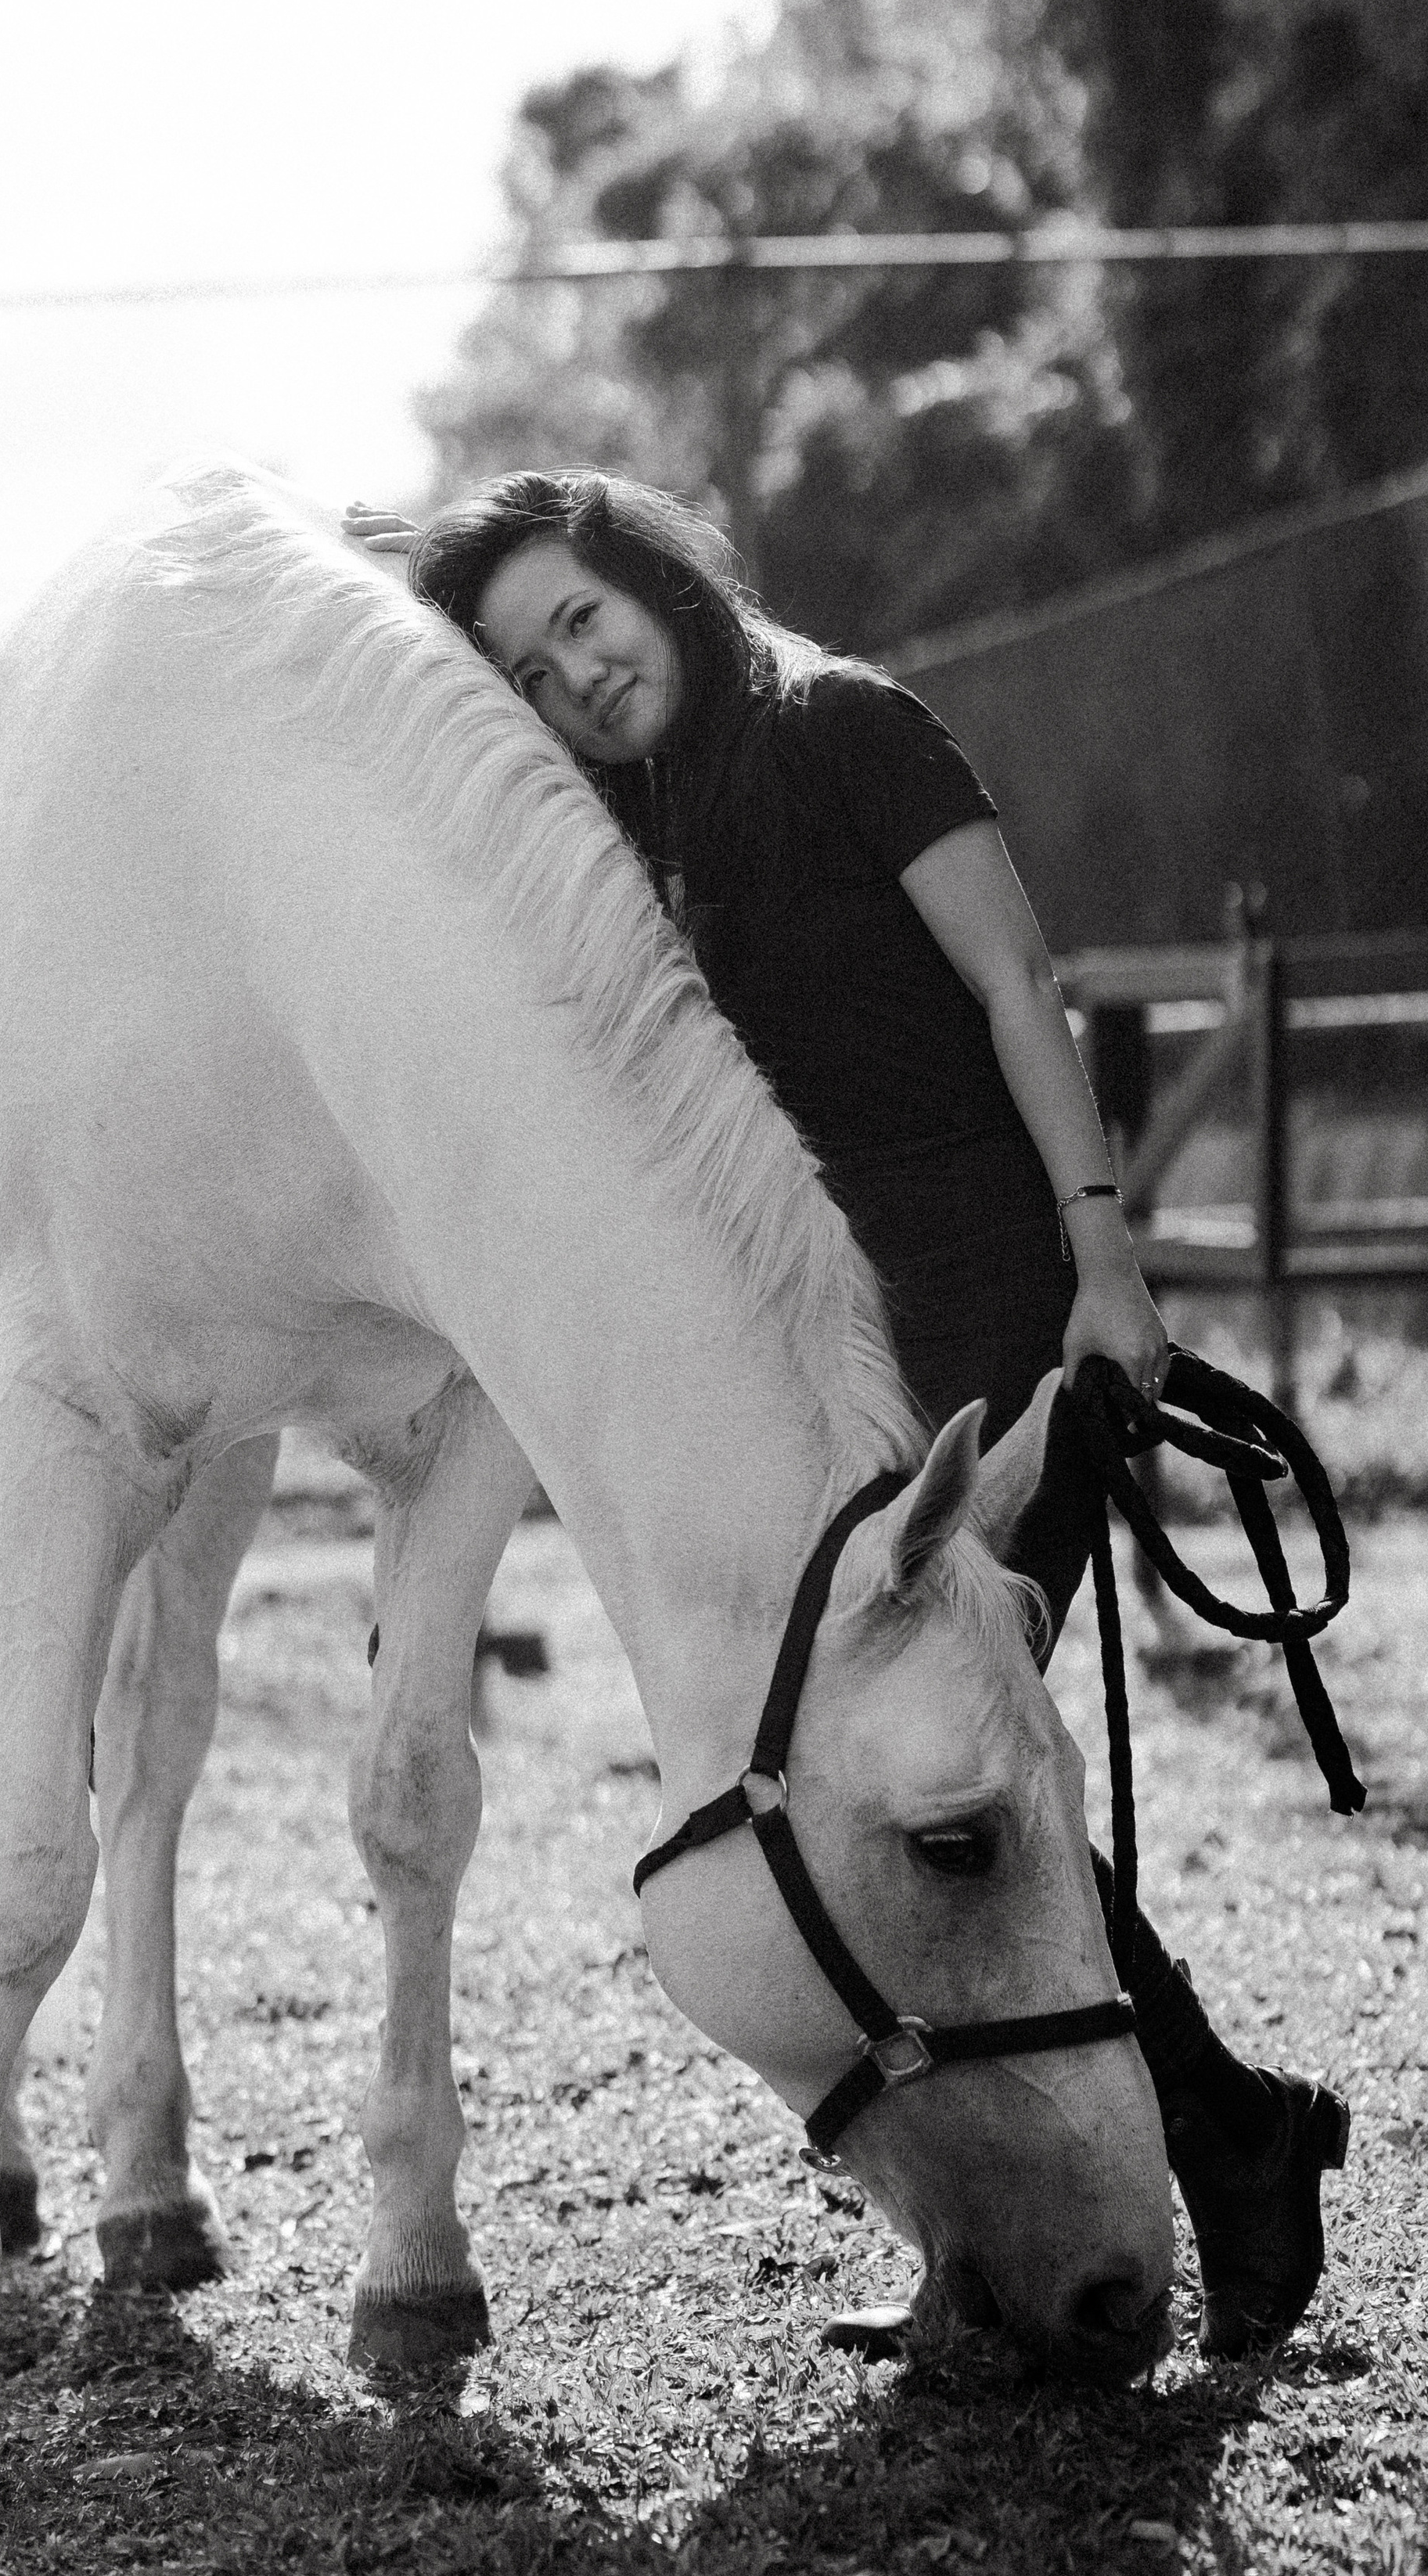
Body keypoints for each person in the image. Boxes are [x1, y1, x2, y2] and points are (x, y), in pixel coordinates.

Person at [345, 473, 1349, 2357]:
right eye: (527, 668)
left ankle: (1231, 2140)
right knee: (908, 1767)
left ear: (655, 584)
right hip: (843, 1337)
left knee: (952, 1761)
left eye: (585, 620)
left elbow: (1010, 981)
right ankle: (1041, 2207)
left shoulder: (844, 727)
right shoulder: (625, 832)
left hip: (998, 1304)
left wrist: (1102, 1257)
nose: (575, 673)